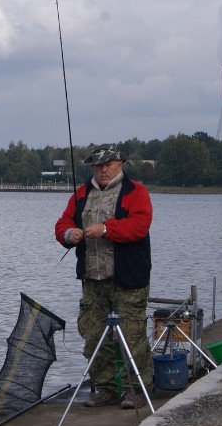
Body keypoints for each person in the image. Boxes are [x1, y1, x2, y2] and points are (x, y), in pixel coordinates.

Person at [54, 144, 153, 410]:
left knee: (132, 336)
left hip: (128, 279)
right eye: (98, 166)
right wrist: (69, 234)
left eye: (108, 164)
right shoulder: (81, 194)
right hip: (93, 280)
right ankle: (106, 388)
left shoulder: (136, 192)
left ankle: (138, 389)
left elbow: (139, 226)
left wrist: (107, 229)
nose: (103, 170)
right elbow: (62, 223)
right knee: (94, 335)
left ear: (121, 164)